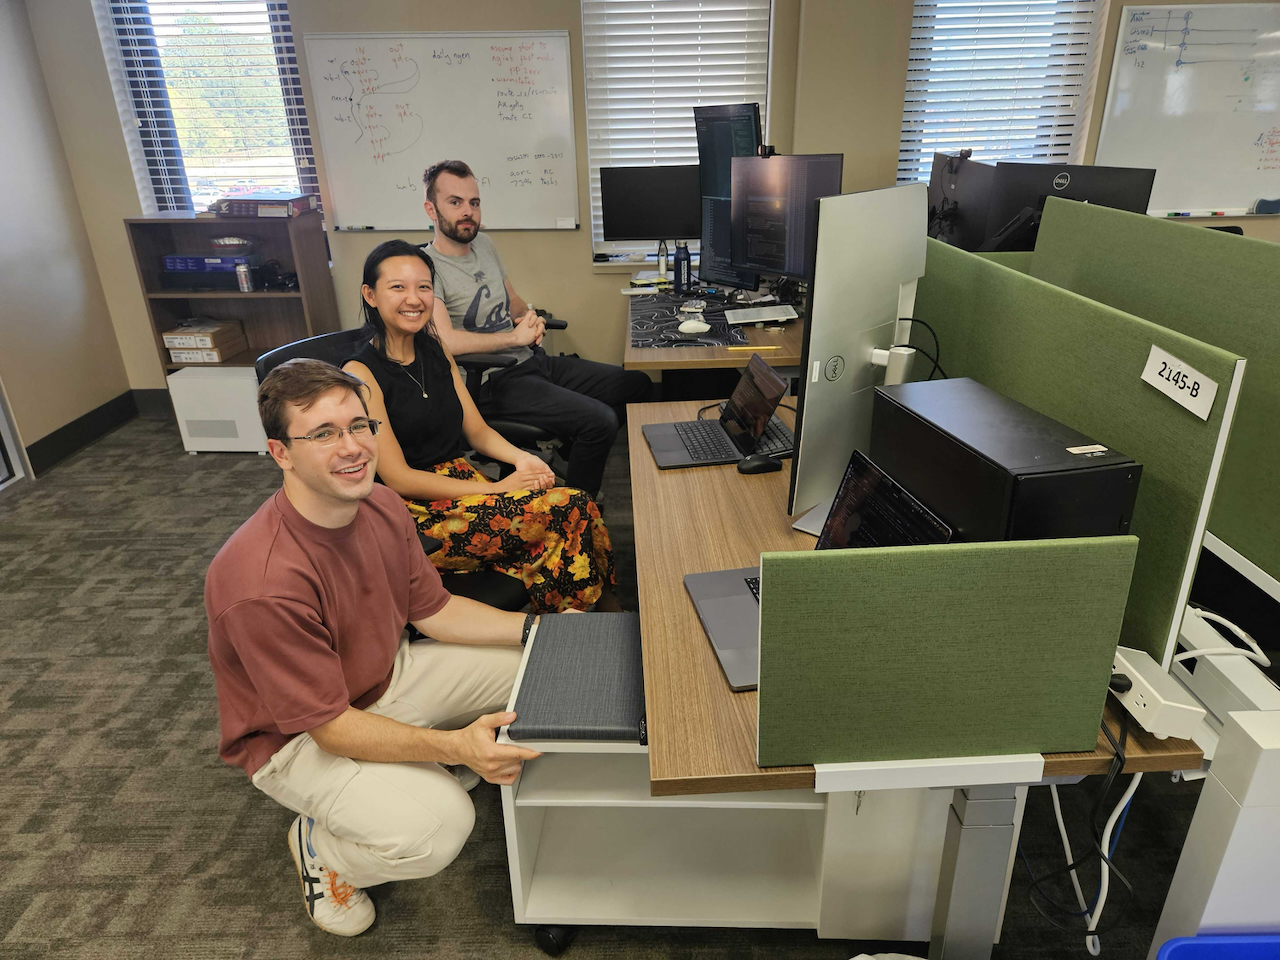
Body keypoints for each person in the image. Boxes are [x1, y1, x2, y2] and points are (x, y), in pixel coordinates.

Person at [205, 358, 550, 937]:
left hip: (385, 678)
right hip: (297, 739)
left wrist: (540, 630)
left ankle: (415, 764)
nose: (352, 448)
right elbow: (331, 728)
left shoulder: (380, 505)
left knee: (540, 668)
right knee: (438, 829)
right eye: (323, 434)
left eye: (359, 426)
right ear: (280, 453)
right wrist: (457, 747)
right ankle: (322, 850)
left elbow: (435, 610)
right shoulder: (261, 582)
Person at [343, 240, 614, 613]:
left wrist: (522, 461)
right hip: (415, 515)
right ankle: (586, 619)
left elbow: (478, 431)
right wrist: (499, 488)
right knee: (570, 508)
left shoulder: (436, 352)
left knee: (564, 509)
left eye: (424, 287)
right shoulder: (360, 375)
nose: (415, 298)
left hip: (463, 487)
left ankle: (569, 621)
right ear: (370, 295)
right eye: (398, 287)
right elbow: (399, 477)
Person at [422, 158, 654, 498]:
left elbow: (513, 300)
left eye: (474, 202)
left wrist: (528, 318)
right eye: (455, 202)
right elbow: (446, 341)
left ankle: (571, 457)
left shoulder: (484, 244)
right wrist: (513, 338)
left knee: (637, 384)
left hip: (530, 361)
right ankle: (577, 512)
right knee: (600, 421)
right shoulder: (426, 267)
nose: (468, 211)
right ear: (431, 209)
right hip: (489, 382)